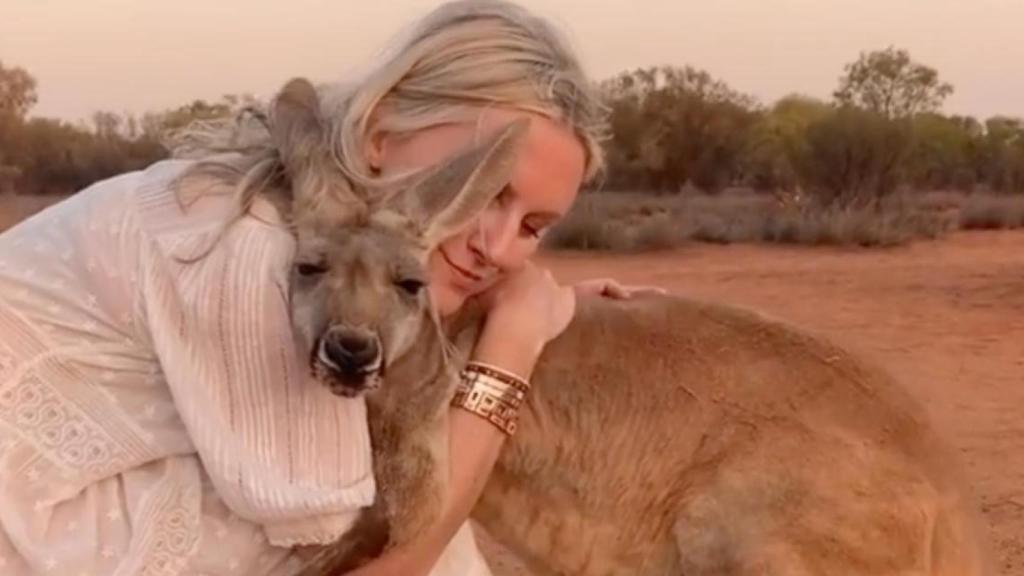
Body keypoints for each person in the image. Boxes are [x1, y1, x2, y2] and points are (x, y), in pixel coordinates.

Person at [0, 1, 660, 574]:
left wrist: (547, 306)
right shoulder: (247, 247)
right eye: (482, 189)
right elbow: (394, 562)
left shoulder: (321, 222)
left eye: (533, 227)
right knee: (372, 519)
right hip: (27, 526)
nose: (496, 247)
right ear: (379, 133)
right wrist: (512, 345)